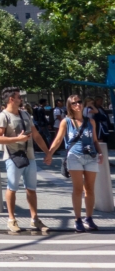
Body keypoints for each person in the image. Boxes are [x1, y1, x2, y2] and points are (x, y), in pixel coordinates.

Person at [0, 87, 52, 234]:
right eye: (19, 97)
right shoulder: (3, 116)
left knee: (31, 188)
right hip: (13, 157)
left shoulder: (25, 114)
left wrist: (48, 152)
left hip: (29, 156)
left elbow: (36, 135)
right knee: (12, 187)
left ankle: (35, 218)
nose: (22, 99)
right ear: (11, 99)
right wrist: (17, 139)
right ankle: (11, 219)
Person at [47, 95, 104, 232]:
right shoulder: (66, 122)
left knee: (89, 188)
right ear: (70, 106)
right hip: (74, 156)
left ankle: (89, 218)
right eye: (74, 103)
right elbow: (58, 139)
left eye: (79, 102)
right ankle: (77, 219)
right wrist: (49, 153)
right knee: (78, 188)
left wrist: (100, 153)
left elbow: (95, 140)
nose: (77, 105)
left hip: (90, 156)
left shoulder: (91, 121)